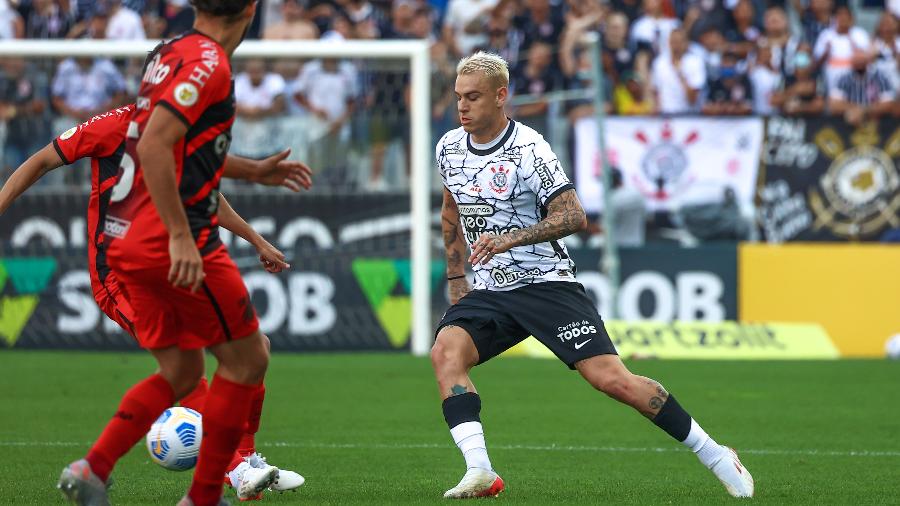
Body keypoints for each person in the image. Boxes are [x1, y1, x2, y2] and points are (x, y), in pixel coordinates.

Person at [432, 51, 754, 499]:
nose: (462, 107)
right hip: (490, 289)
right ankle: (480, 470)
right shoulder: (449, 147)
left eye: (473, 98)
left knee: (613, 381)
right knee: (446, 354)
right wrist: (455, 276)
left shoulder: (529, 149)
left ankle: (717, 453)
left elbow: (573, 215)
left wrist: (508, 239)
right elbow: (451, 209)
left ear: (501, 96)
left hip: (547, 284)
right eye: (458, 98)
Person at [0, 103, 311, 502]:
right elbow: (41, 161)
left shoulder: (182, 131)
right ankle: (232, 468)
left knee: (255, 347)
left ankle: (246, 465)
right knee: (184, 364)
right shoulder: (112, 126)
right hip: (117, 273)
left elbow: (206, 196)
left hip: (163, 268)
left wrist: (255, 239)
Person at [55, 0, 280, 504]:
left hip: (128, 240)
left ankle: (92, 468)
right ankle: (208, 492)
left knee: (181, 372)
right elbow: (156, 146)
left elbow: (180, 151)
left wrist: (253, 170)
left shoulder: (170, 53)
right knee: (249, 358)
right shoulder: (210, 62)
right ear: (250, 10)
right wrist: (181, 235)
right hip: (173, 239)